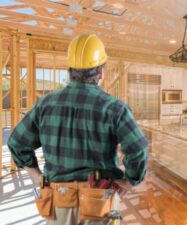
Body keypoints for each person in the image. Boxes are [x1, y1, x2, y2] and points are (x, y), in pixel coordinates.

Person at [8, 34, 148, 225]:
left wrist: (37, 177)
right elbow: (138, 149)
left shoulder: (45, 105)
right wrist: (129, 181)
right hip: (100, 201)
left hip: (59, 203)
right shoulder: (115, 108)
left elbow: (16, 143)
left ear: (70, 71)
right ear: (100, 72)